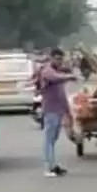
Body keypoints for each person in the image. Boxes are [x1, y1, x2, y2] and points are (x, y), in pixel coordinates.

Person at [35, 48, 76, 177]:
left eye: (61, 59)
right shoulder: (47, 71)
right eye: (57, 59)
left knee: (53, 139)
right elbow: (54, 78)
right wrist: (69, 76)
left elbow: (62, 95)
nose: (59, 62)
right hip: (50, 110)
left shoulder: (58, 72)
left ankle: (53, 165)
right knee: (49, 140)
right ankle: (48, 167)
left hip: (58, 111)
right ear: (51, 58)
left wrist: (68, 111)